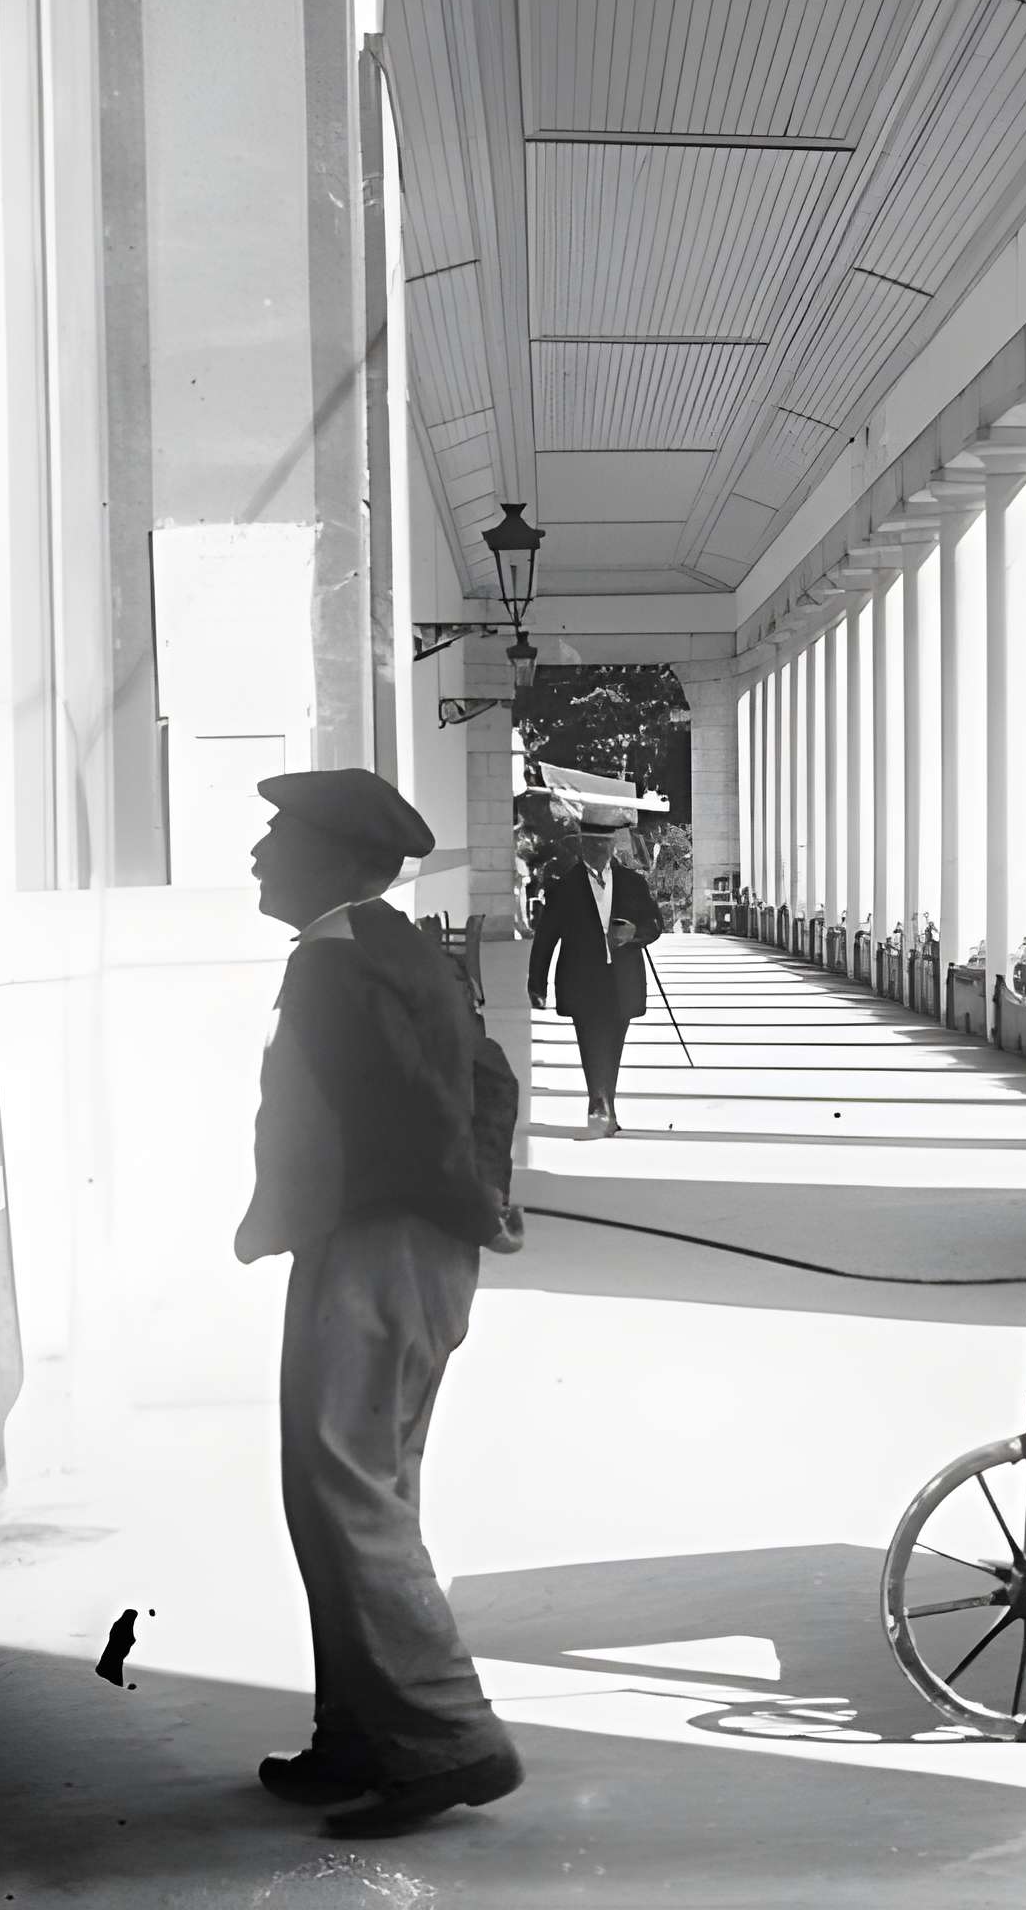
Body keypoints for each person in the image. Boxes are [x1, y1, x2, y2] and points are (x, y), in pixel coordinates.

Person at [238, 769, 523, 1836]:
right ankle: (361, 1736)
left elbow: (404, 1112)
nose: (258, 856)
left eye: (277, 837)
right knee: (365, 1489)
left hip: (375, 1244)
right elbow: (488, 1081)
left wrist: (460, 1201)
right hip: (417, 1241)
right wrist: (484, 1203)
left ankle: (448, 1738)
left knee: (342, 1491)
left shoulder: (333, 962)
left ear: (335, 858)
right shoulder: (392, 945)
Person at [528, 819, 664, 1136]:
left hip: (622, 979)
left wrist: (634, 934)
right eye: (590, 845)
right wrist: (537, 984)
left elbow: (655, 924)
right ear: (580, 847)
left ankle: (607, 1104)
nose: (597, 851)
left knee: (614, 1044)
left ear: (613, 846)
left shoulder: (632, 883)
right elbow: (545, 938)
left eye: (602, 845)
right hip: (581, 979)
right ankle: (597, 1105)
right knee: (590, 1044)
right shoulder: (564, 888)